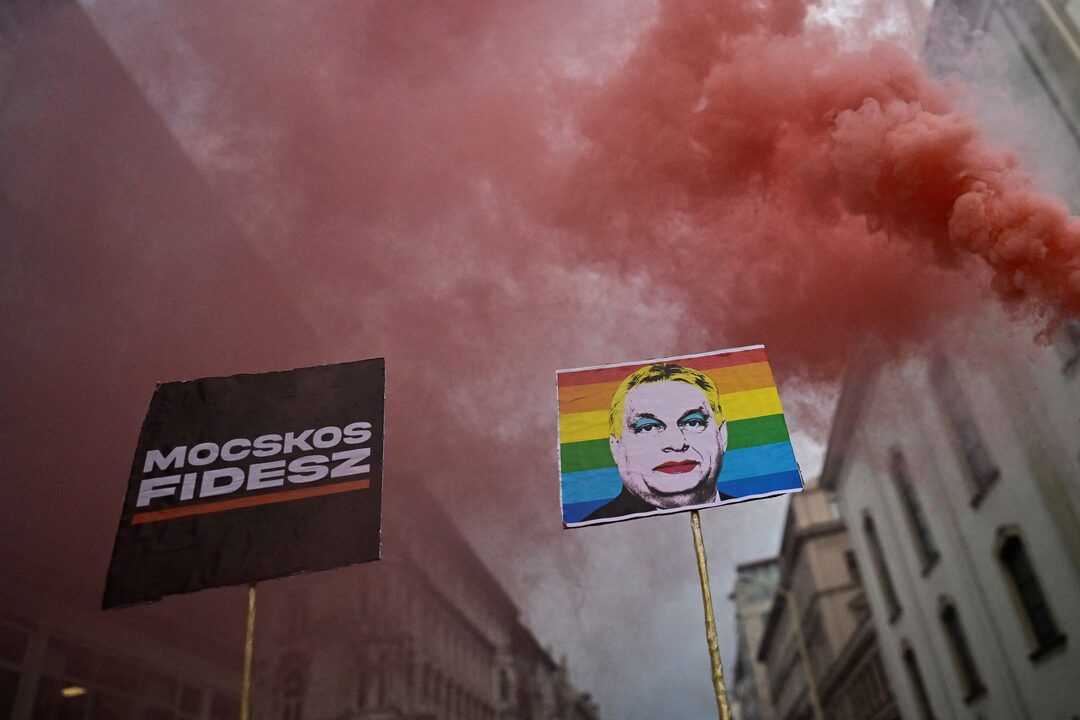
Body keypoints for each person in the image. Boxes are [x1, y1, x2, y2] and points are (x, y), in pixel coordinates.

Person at [584, 362, 729, 521]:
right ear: (616, 448)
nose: (676, 444)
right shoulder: (598, 527)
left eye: (693, 423)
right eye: (648, 427)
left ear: (722, 436)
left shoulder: (746, 513)